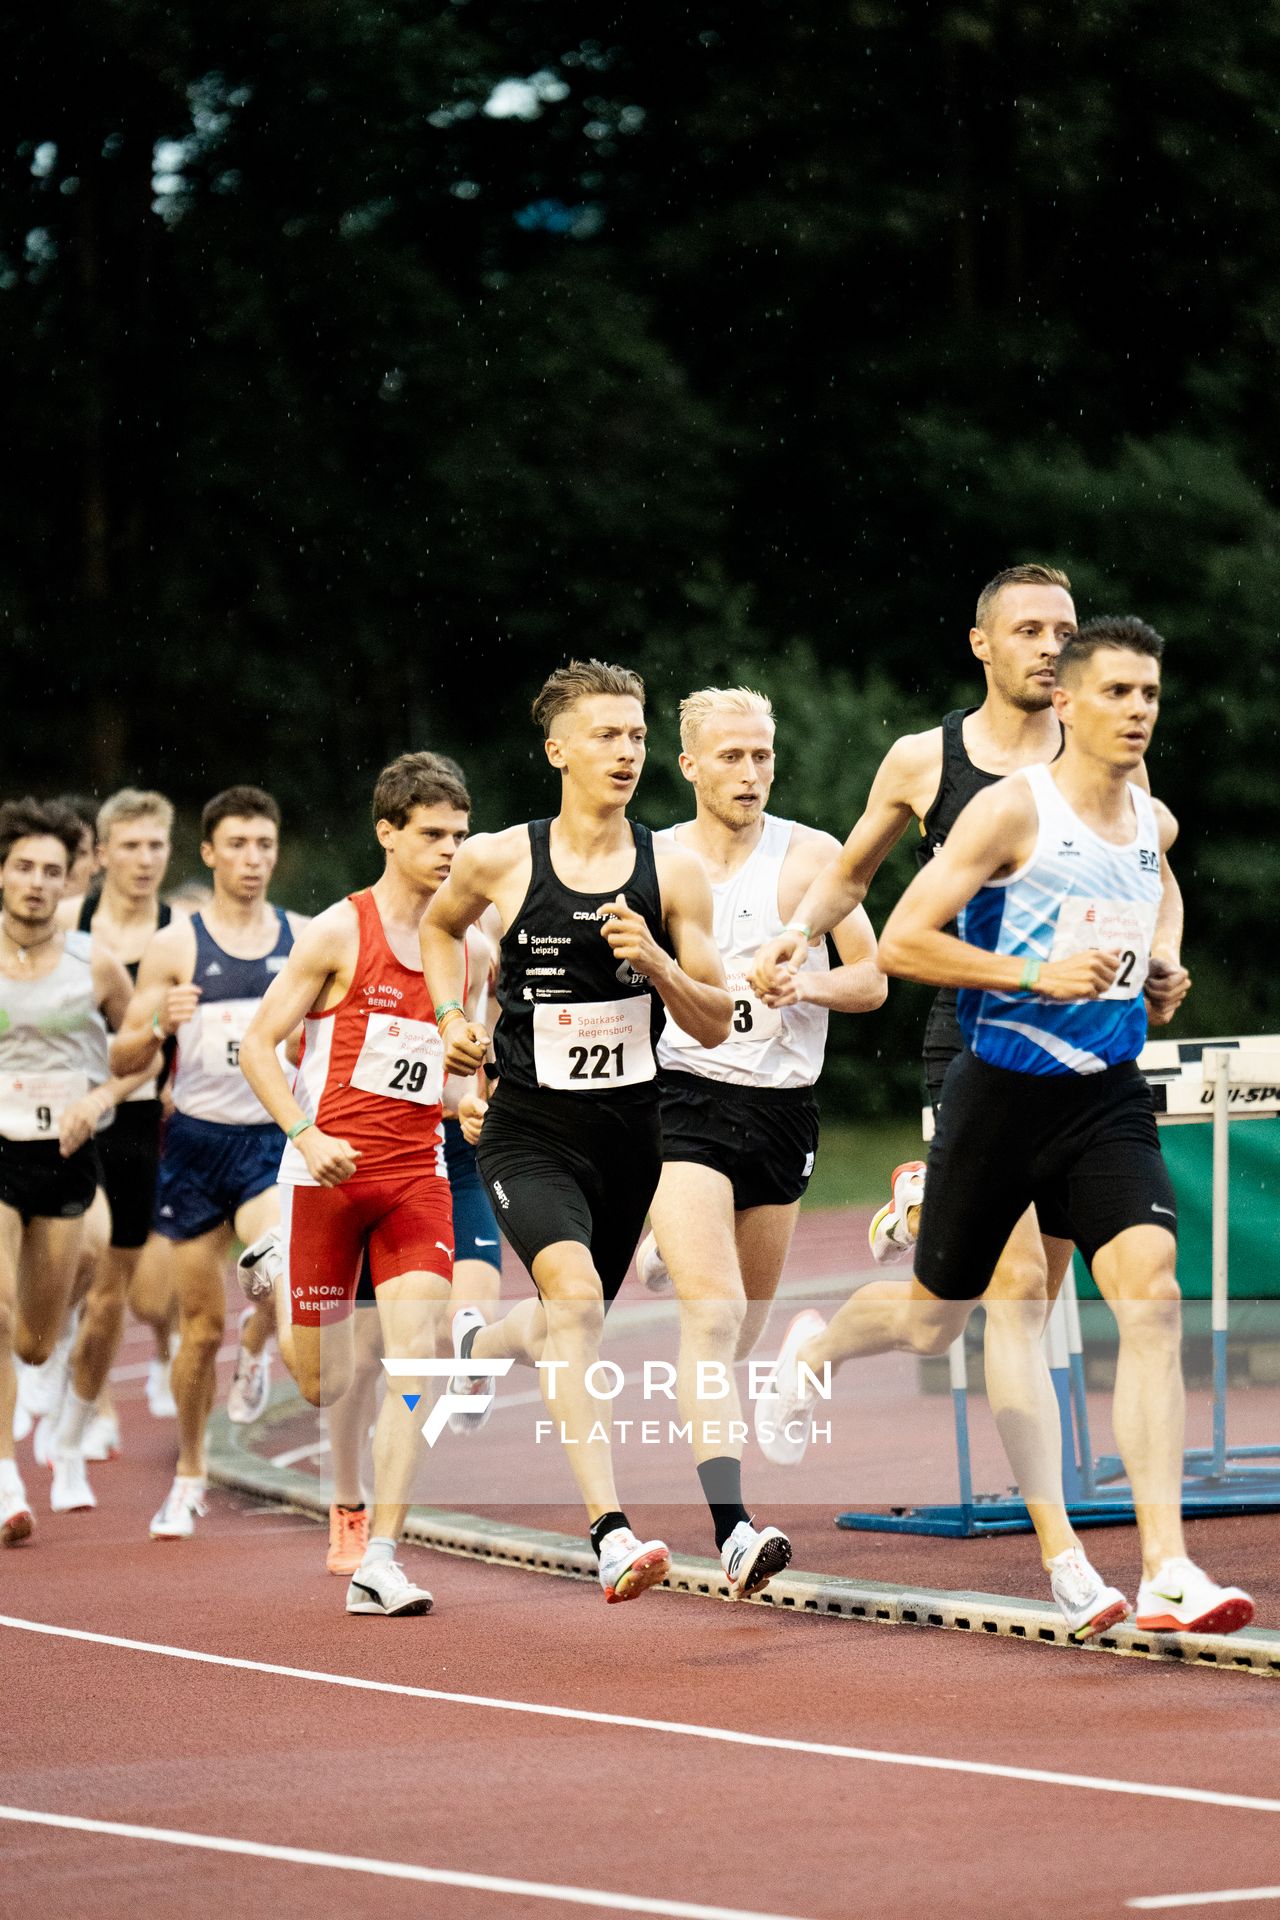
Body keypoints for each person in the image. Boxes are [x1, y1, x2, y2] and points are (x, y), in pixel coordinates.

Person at [761, 616, 1253, 1635]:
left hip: (1104, 1095)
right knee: (937, 1316)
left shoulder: (1146, 819)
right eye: (1115, 693)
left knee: (1148, 1295)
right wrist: (1030, 973)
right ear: (1065, 701)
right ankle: (814, 1347)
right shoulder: (1004, 815)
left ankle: (1164, 1564)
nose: (1135, 712)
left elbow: (1153, 890)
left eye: (1148, 696)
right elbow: (901, 940)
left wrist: (1158, 968)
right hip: (996, 1095)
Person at [421, 659, 732, 1604]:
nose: (627, 751)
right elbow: (441, 930)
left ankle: (478, 1351)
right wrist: (448, 1018)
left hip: (632, 1133)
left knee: (568, 1314)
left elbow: (716, 1019)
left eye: (637, 735)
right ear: (557, 749)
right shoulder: (499, 860)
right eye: (606, 735)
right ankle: (609, 1530)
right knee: (577, 1300)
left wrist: (657, 965)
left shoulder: (673, 870)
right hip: (527, 1131)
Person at [637, 687, 886, 1597]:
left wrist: (806, 991)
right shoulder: (655, 860)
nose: (749, 773)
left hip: (783, 1109)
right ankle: (733, 1528)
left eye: (761, 757)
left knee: (737, 1335)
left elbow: (873, 979)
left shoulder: (812, 857)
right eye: (730, 757)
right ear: (691, 764)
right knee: (709, 1316)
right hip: (681, 1099)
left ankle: (668, 1249)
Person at [237, 752, 484, 1615]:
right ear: (388, 832)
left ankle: (383, 1556)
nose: (451, 850)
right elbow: (256, 1047)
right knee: (323, 1385)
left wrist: (470, 1100)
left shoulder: (471, 948)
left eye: (460, 834)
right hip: (322, 1179)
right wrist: (306, 1133)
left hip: (416, 1177)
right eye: (432, 835)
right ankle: (272, 1271)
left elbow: (449, 1079)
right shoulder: (341, 932)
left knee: (415, 1359)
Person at [114, 786, 302, 1539]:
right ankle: (190, 1471)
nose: (252, 860)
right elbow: (124, 1052)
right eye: (238, 846)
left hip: (268, 1144)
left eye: (264, 846)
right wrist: (161, 1019)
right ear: (210, 852)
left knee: (273, 1263)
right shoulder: (176, 946)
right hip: (193, 1147)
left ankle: (262, 1341)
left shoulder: (304, 938)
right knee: (198, 1330)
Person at [0, 800, 140, 1537]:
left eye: (52, 871)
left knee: (33, 1339)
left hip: (62, 1154)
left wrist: (104, 1093)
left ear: (70, 881)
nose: (36, 882)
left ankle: (38, 1383)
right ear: (1, 873)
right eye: (23, 866)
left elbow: (141, 1051)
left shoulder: (97, 964)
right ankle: (4, 1485)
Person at [55, 790, 187, 1451]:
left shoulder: (180, 931)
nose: (144, 860)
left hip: (142, 1119)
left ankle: (89, 1400)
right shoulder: (63, 924)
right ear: (102, 855)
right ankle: (75, 1389)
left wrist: (176, 1075)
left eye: (155, 846)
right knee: (75, 1260)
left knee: (121, 1287)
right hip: (55, 1116)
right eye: (130, 847)